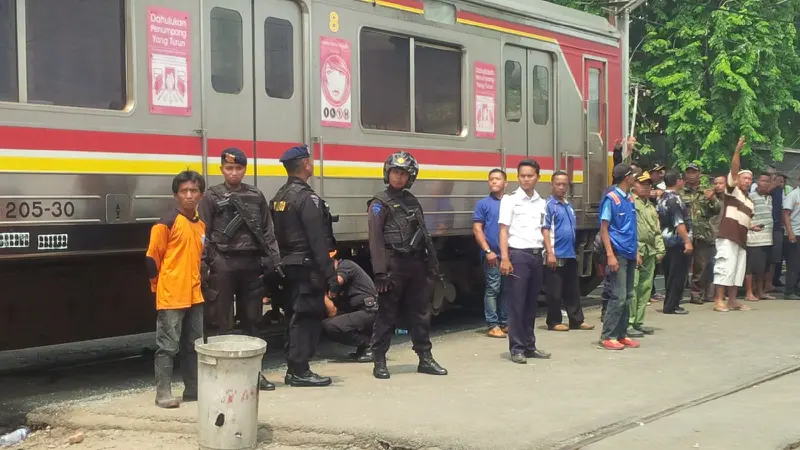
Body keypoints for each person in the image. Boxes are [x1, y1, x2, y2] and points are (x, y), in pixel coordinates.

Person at [198, 148, 280, 391]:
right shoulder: (211, 197)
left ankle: (255, 374)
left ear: (245, 169)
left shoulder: (256, 195)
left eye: (238, 168)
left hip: (251, 263)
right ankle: (225, 375)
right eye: (229, 168)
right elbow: (204, 233)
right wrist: (205, 262)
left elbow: (268, 231)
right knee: (222, 321)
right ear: (221, 169)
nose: (234, 173)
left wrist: (274, 259)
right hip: (222, 262)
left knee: (253, 321)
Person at [368, 151, 448, 379]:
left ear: (410, 177)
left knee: (421, 313)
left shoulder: (412, 201)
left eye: (403, 173)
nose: (398, 177)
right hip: (393, 265)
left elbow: (423, 233)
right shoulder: (379, 203)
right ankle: (380, 360)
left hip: (415, 264)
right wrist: (380, 272)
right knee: (386, 314)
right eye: (394, 172)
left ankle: (425, 357)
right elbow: (375, 240)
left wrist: (431, 263)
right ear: (387, 173)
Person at [270, 145, 339, 387]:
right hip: (307, 268)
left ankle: (294, 369)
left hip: (289, 266)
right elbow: (317, 240)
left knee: (293, 316)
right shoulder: (307, 199)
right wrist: (330, 274)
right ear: (306, 165)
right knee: (306, 318)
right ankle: (300, 370)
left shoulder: (280, 196)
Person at [146, 171, 207, 408]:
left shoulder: (201, 225)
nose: (189, 195)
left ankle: (193, 390)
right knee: (168, 347)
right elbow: (152, 259)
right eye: (184, 191)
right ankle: (163, 394)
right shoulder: (166, 223)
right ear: (176, 196)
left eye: (193, 191)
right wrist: (157, 287)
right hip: (172, 295)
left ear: (200, 195)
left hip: (194, 295)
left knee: (194, 346)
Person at [498, 159, 552, 363]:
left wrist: (549, 251)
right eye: (522, 176)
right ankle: (517, 348)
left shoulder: (541, 202)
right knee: (517, 304)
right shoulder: (510, 200)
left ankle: (530, 345)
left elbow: (543, 229)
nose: (526, 179)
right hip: (518, 255)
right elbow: (503, 230)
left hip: (536, 255)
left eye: (530, 175)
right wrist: (504, 257)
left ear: (538, 176)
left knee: (532, 304)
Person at [542, 170, 593, 332]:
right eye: (558, 184)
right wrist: (550, 252)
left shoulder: (568, 205)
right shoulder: (549, 205)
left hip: (569, 253)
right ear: (552, 185)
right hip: (555, 254)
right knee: (554, 292)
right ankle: (554, 321)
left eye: (564, 184)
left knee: (572, 290)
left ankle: (576, 320)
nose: (561, 187)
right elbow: (545, 230)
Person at [599, 164, 640, 350]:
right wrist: (610, 255)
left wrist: (636, 251)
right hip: (618, 253)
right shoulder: (612, 198)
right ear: (626, 177)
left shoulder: (629, 198)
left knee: (629, 295)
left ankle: (622, 334)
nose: (635, 178)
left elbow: (631, 228)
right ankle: (608, 335)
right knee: (618, 296)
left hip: (630, 252)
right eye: (633, 175)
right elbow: (604, 229)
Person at [712, 136, 756, 312]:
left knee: (737, 271)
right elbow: (734, 168)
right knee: (724, 267)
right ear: (738, 180)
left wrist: (752, 226)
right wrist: (737, 151)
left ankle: (732, 300)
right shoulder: (732, 191)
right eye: (744, 178)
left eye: (749, 179)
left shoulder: (750, 202)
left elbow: (745, 220)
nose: (747, 181)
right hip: (727, 236)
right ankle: (718, 300)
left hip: (741, 239)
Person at [322, 252, 378, 362]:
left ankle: (370, 346)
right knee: (327, 324)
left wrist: (317, 286)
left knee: (331, 325)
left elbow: (338, 280)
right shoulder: (331, 283)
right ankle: (364, 346)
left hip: (370, 311)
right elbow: (332, 312)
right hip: (360, 313)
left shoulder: (346, 265)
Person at [472, 168, 508, 338]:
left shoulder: (510, 203)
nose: (494, 181)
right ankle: (493, 324)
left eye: (497, 179)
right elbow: (477, 229)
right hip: (492, 255)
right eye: (491, 179)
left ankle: (505, 322)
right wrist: (487, 250)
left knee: (507, 289)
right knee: (493, 288)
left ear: (505, 183)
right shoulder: (483, 204)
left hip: (508, 255)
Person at [680, 162, 721, 304]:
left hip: (702, 234)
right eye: (689, 172)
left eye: (694, 172)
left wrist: (712, 199)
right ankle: (677, 294)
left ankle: (696, 293)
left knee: (701, 267)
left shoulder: (706, 191)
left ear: (699, 174)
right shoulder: (680, 192)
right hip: (683, 234)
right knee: (681, 266)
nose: (691, 174)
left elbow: (716, 210)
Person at [631, 171, 664, 335]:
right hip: (636, 250)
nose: (645, 187)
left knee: (645, 288)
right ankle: (629, 322)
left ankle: (638, 321)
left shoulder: (650, 205)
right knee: (633, 287)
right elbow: (629, 230)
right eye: (641, 184)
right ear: (633, 184)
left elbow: (656, 230)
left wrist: (660, 249)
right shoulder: (630, 202)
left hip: (649, 250)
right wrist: (634, 250)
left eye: (648, 185)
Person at [658, 169, 693, 315]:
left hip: (666, 239)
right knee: (677, 274)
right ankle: (672, 305)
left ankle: (671, 303)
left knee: (670, 274)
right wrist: (687, 241)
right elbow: (679, 222)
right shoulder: (674, 200)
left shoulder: (663, 197)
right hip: (676, 241)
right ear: (677, 181)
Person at [745, 174, 774, 301]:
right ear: (757, 182)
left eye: (768, 181)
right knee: (750, 268)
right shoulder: (751, 197)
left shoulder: (770, 197)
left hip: (767, 238)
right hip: (753, 238)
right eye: (762, 180)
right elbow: (745, 216)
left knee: (762, 267)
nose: (765, 183)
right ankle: (749, 292)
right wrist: (751, 227)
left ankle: (760, 292)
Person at [782, 174, 800, 300]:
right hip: (794, 234)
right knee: (794, 264)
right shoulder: (793, 194)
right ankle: (789, 291)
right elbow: (785, 214)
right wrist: (790, 233)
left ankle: (797, 289)